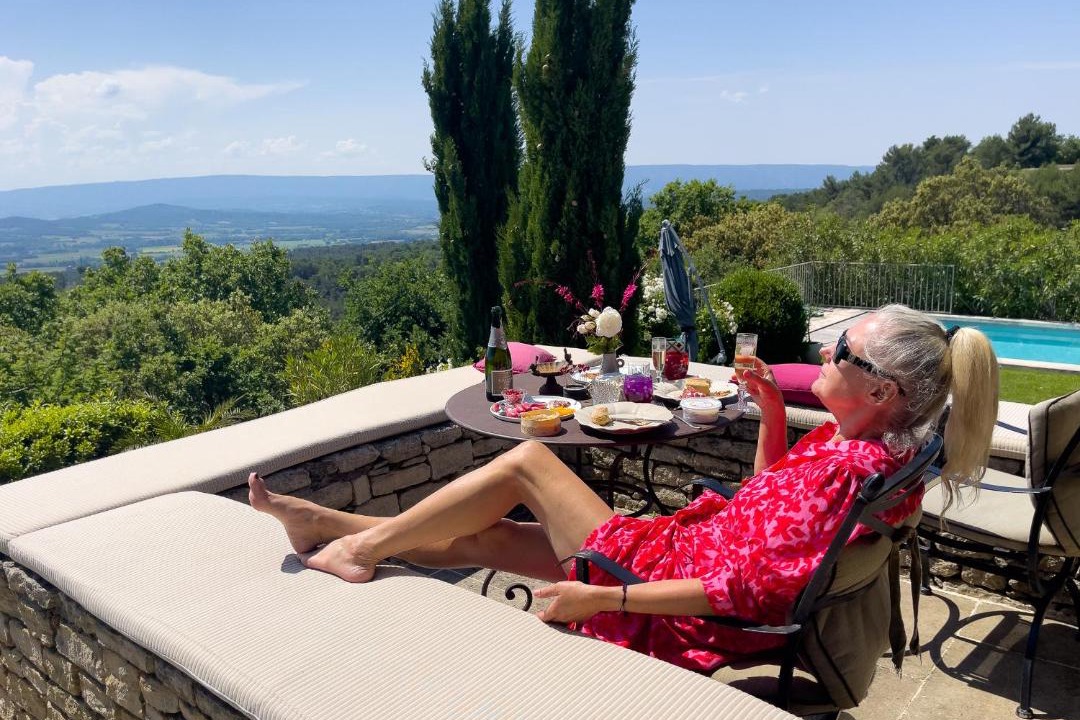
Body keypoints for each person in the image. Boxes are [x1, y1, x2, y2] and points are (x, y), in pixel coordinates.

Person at [248, 304, 999, 672]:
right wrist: (772, 407)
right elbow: (768, 504)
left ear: (881, 390)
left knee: (528, 464)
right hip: (681, 551)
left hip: (670, 591)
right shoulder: (862, 448)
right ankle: (328, 526)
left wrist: (601, 598)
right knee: (485, 538)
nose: (824, 352)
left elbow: (745, 591)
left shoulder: (850, 470)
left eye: (842, 350)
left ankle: (362, 544)